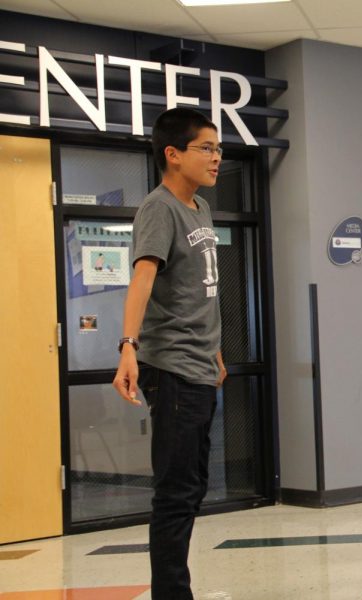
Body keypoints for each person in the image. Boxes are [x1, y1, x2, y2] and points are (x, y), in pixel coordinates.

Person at [112, 107, 227, 600]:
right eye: (207, 148)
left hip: (200, 366)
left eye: (219, 149)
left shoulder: (199, 208)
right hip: (174, 368)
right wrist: (128, 346)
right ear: (173, 154)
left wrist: (217, 350)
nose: (217, 157)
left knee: (191, 488)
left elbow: (198, 290)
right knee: (176, 494)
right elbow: (142, 277)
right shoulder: (159, 207)